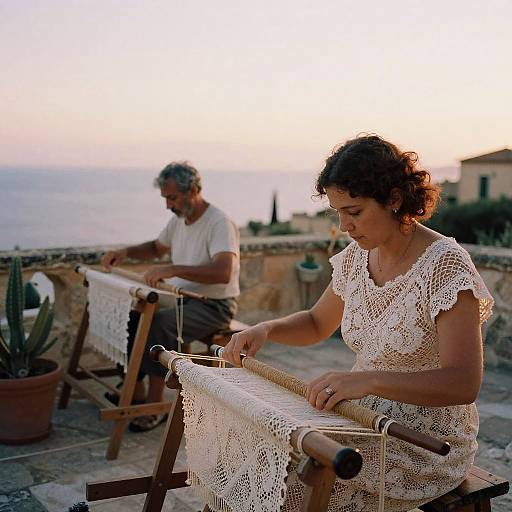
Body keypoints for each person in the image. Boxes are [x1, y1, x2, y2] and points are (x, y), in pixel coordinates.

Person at [223, 135, 494, 511]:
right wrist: (266, 329)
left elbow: (464, 382)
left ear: (395, 200)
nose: (344, 225)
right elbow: (317, 322)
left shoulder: (445, 267)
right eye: (338, 212)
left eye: (354, 211)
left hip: (426, 443)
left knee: (295, 486)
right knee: (256, 459)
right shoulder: (356, 258)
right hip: (362, 416)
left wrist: (367, 380)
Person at [101, 161, 240, 432]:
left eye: (172, 198)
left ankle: (156, 406)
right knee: (130, 316)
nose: (168, 205)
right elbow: (155, 247)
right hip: (182, 298)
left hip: (214, 305)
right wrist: (125, 252)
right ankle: (136, 390)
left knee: (159, 324)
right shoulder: (178, 221)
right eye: (165, 198)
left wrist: (173, 268)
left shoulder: (219, 222)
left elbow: (223, 272)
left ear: (194, 191)